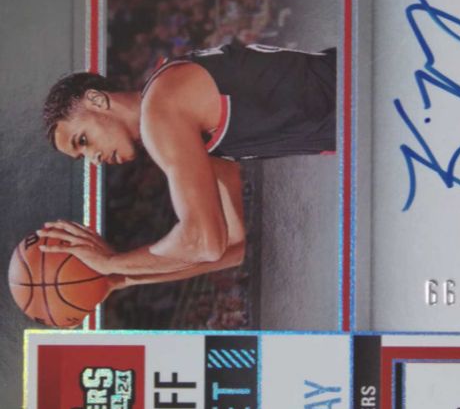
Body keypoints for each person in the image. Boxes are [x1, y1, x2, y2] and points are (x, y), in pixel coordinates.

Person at [39, 40, 336, 284]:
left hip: (356, 95)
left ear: (96, 100)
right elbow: (234, 249)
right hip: (351, 110)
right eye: (82, 156)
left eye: (83, 140)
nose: (92, 158)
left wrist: (111, 262)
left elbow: (202, 242)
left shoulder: (161, 109)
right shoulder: (183, 127)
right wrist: (126, 278)